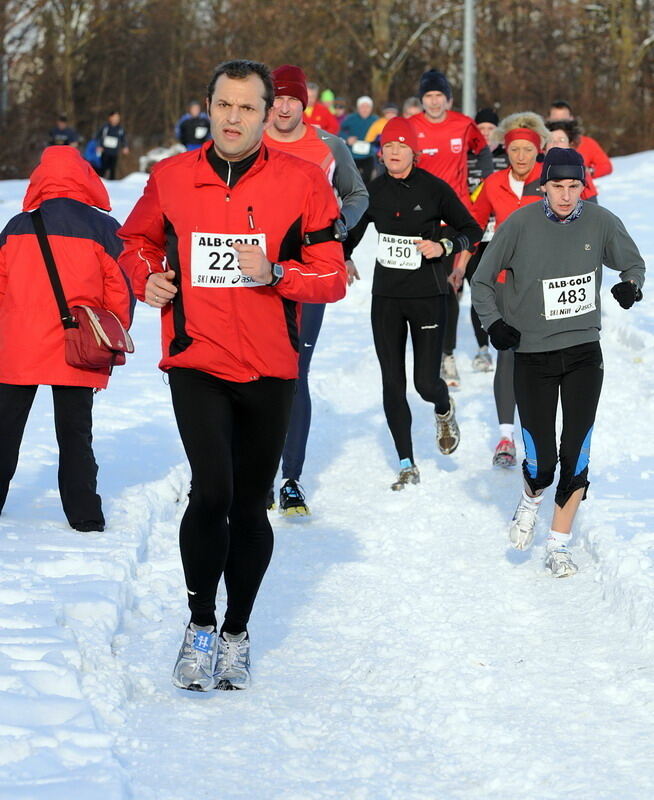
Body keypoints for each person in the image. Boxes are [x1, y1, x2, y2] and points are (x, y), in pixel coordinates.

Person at [118, 59, 347, 691]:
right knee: (210, 491)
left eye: (247, 107)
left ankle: (236, 631)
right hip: (197, 358)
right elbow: (133, 243)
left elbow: (331, 274)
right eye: (224, 105)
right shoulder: (170, 177)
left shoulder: (303, 181)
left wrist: (277, 274)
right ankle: (198, 624)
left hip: (272, 364)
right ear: (209, 106)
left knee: (249, 504)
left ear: (267, 113)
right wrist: (148, 278)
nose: (233, 118)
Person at [471, 148, 645, 577]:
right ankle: (531, 499)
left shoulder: (601, 222)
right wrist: (495, 325)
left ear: (582, 187)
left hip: (585, 350)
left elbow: (633, 262)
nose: (566, 196)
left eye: (573, 187)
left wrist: (630, 285)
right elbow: (481, 281)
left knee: (577, 453)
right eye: (557, 187)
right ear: (542, 186)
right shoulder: (519, 224)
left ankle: (559, 544)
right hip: (533, 354)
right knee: (541, 462)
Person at [0, 146, 132, 532]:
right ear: (85, 177)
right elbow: (120, 292)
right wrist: (108, 342)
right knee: (76, 435)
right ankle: (85, 515)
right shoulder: (105, 230)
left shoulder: (17, 227)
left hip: (18, 348)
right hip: (77, 346)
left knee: (4, 430)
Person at [346, 117, 482, 490]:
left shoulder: (434, 189)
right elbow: (352, 233)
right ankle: (406, 462)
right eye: (388, 146)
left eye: (401, 146)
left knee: (425, 384)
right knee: (392, 382)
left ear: (414, 152)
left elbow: (470, 229)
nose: (393, 152)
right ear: (381, 151)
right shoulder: (372, 191)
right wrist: (344, 256)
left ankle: (443, 407)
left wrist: (444, 246)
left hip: (427, 296)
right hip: (387, 299)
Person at [263, 64, 368, 516]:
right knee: (256, 371)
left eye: (292, 99)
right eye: (278, 98)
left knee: (294, 372)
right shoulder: (250, 137)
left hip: (308, 275)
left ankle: (291, 478)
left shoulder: (329, 146)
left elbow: (358, 195)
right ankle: (256, 474)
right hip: (253, 273)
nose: (284, 107)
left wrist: (332, 233)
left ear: (304, 103)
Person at [462, 111, 549, 467]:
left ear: (538, 150)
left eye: (528, 150)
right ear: (507, 150)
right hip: (503, 283)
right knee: (508, 355)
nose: (522, 157)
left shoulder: (551, 181)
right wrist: (458, 255)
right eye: (515, 150)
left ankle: (541, 434)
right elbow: (472, 220)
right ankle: (505, 437)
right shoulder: (494, 182)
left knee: (542, 359)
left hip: (544, 284)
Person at [409, 69, 493, 388]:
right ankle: (444, 354)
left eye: (439, 96)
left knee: (456, 286)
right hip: (425, 220)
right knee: (438, 291)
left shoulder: (463, 124)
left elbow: (483, 150)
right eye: (428, 96)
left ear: (449, 99)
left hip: (457, 218)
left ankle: (452, 354)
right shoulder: (412, 127)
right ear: (422, 100)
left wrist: (483, 183)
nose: (433, 102)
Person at [464, 107, 509, 373]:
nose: (485, 133)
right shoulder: (466, 157)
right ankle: (483, 349)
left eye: (490, 129)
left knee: (504, 292)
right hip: (476, 233)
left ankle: (508, 343)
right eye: (480, 129)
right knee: (478, 291)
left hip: (502, 234)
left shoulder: (508, 157)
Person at [547, 100, 613, 182]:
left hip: (580, 191)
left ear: (571, 118)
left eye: (564, 119)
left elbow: (606, 166)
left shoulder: (586, 143)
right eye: (556, 119)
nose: (560, 122)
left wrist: (589, 171)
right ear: (548, 119)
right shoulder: (540, 143)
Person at [545, 119, 598, 203]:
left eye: (561, 140)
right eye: (550, 140)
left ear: (571, 144)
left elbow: (592, 208)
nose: (555, 144)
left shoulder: (580, 173)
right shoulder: (534, 169)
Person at [339, 96, 379, 186]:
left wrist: (375, 140)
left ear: (371, 108)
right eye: (362, 107)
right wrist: (347, 138)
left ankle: (366, 196)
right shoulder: (351, 118)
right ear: (358, 108)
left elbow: (381, 134)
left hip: (369, 154)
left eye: (367, 107)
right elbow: (339, 131)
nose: (365, 109)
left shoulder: (375, 120)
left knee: (367, 178)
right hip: (352, 154)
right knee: (351, 178)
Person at [96, 111, 129, 180]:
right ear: (110, 118)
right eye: (115, 117)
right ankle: (100, 181)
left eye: (118, 118)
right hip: (105, 152)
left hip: (114, 152)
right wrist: (99, 146)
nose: (116, 119)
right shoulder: (105, 127)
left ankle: (113, 184)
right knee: (102, 169)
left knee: (113, 169)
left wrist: (125, 147)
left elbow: (123, 138)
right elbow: (98, 137)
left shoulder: (120, 129)